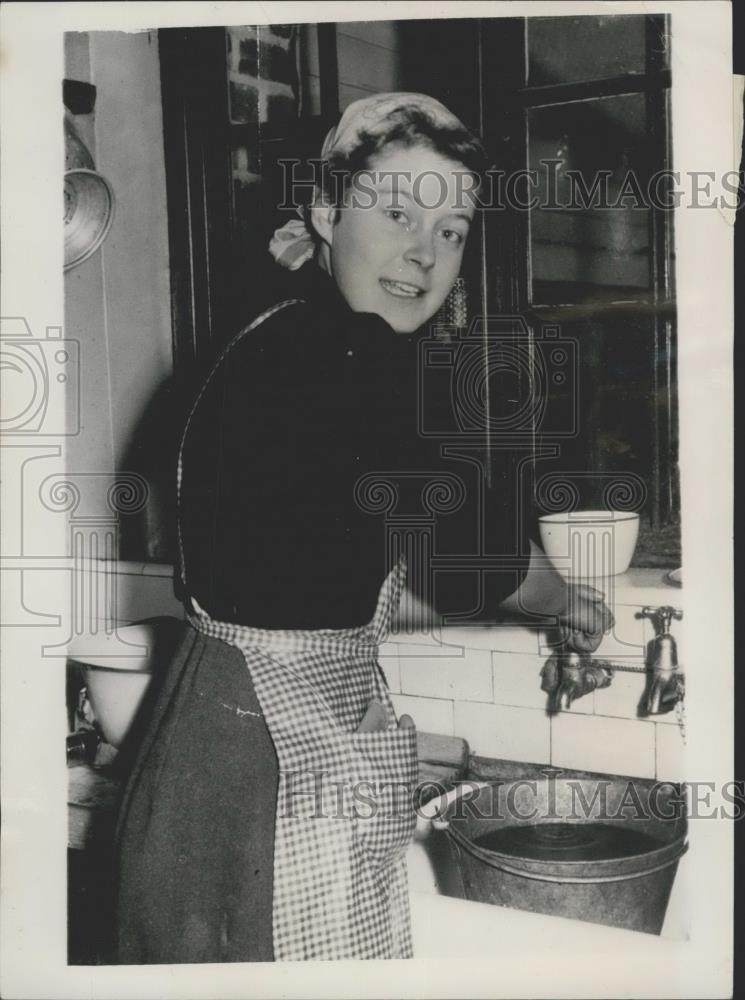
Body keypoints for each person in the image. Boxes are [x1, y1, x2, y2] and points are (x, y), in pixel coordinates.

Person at [114, 92, 612, 965]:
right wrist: (565, 602)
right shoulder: (353, 360)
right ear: (324, 209)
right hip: (265, 767)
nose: (424, 253)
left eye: (451, 230)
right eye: (394, 213)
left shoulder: (271, 335)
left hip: (203, 744)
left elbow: (324, 591)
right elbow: (477, 557)